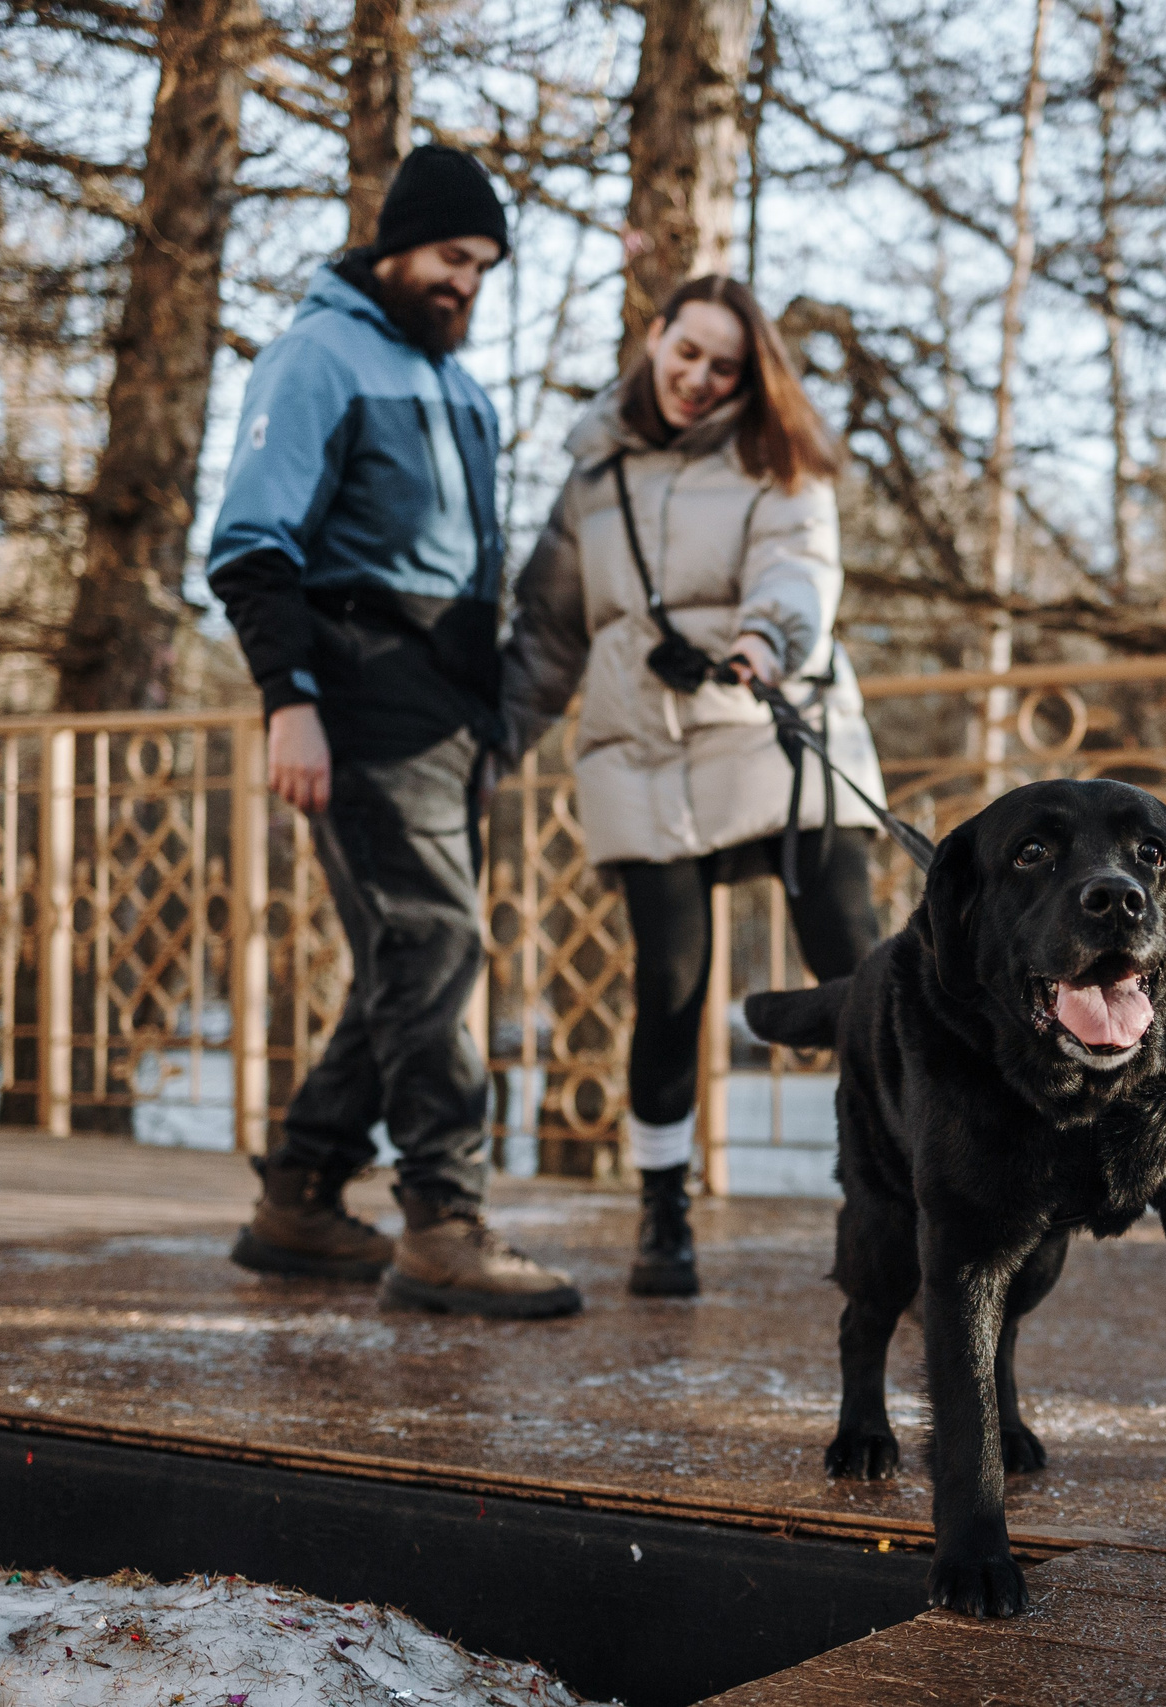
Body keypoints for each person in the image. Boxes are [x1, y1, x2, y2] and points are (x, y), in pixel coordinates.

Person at [205, 145, 581, 1319]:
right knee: (434, 945)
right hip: (359, 694)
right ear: (394, 247)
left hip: (447, 712)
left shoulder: (459, 387)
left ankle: (302, 1196)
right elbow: (252, 547)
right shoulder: (316, 356)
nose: (467, 282)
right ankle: (441, 1221)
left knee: (406, 958)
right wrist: (291, 703)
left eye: (484, 266)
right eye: (451, 257)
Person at [503, 274, 888, 1299]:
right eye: (687, 354)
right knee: (670, 987)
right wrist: (495, 744)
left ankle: (888, 1188)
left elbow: (799, 568)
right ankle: (663, 1210)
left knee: (859, 973)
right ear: (654, 335)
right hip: (638, 745)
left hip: (769, 725)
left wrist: (764, 638)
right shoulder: (593, 476)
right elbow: (545, 632)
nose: (699, 379)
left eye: (723, 366)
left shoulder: (778, 459)